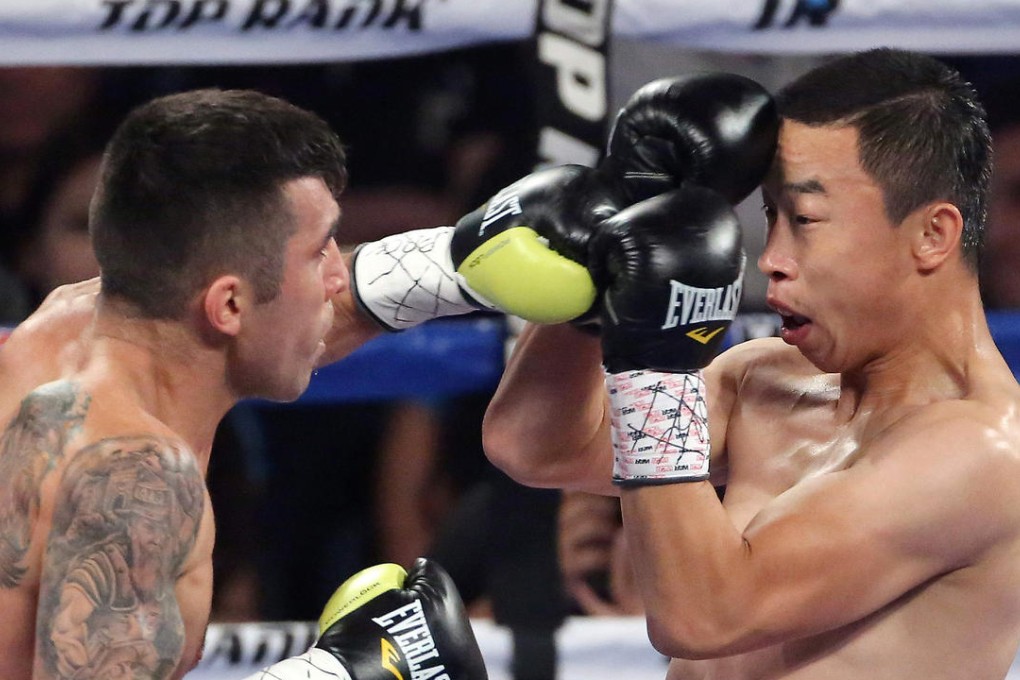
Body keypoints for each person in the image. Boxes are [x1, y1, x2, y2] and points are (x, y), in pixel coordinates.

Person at [482, 47, 1020, 679]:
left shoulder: (983, 453)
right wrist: (602, 270)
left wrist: (653, 369)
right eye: (771, 215)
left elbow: (707, 617)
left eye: (806, 219)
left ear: (932, 234)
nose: (772, 259)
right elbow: (532, 446)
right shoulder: (766, 378)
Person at [0, 87, 514, 680]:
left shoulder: (75, 325)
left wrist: (473, 254)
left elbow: (288, 309)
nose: (335, 274)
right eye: (318, 250)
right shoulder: (135, 477)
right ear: (229, 305)